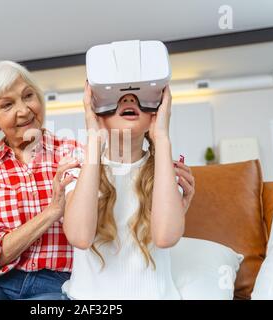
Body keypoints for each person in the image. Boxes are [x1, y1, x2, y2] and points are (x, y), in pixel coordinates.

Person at [0, 61, 81, 300]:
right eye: (7, 105)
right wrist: (53, 211)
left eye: (28, 95)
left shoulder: (74, 153)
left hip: (59, 282)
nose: (24, 110)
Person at [61, 82, 196, 299]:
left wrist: (161, 137)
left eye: (140, 95)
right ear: (99, 115)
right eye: (115, 95)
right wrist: (94, 139)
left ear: (154, 115)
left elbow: (165, 238)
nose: (129, 98)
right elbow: (79, 237)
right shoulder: (78, 170)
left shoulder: (166, 172)